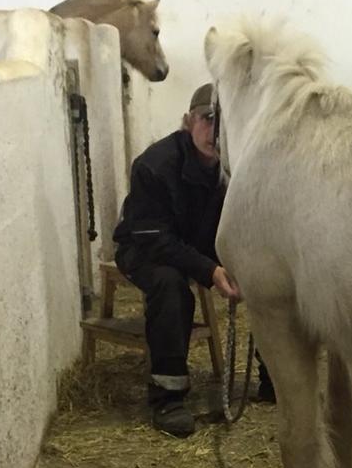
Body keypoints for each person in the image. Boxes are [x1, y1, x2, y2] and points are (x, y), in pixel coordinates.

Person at [113, 83, 275, 437]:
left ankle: (271, 376)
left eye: (224, 123)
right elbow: (156, 240)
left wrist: (240, 263)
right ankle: (167, 397)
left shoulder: (233, 170)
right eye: (208, 119)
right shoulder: (154, 166)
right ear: (188, 121)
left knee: (262, 273)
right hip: (146, 245)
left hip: (199, 242)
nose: (216, 132)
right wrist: (209, 269)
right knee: (170, 285)